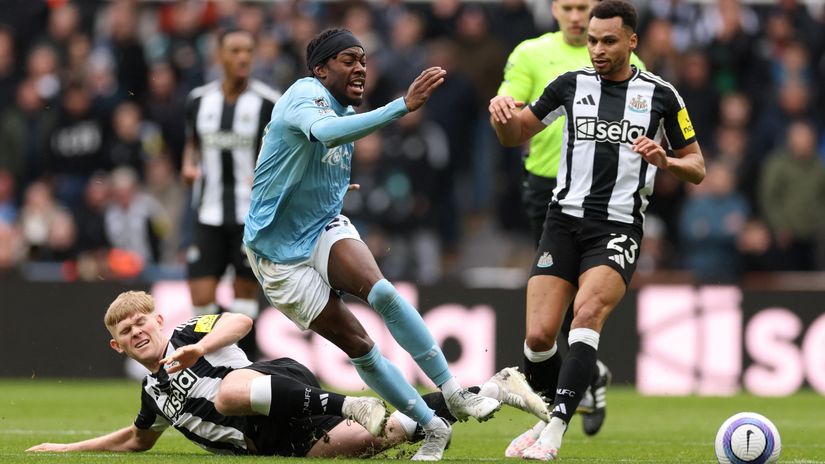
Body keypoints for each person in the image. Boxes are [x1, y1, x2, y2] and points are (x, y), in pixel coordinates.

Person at [242, 28, 513, 461]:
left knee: (383, 291)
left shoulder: (341, 106)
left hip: (321, 225)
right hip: (277, 257)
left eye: (364, 60)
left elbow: (306, 156)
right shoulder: (303, 94)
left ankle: (455, 391)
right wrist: (402, 106)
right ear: (320, 69)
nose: (361, 68)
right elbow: (327, 134)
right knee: (362, 345)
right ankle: (432, 425)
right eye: (349, 59)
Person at [489, 0, 705, 460]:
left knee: (585, 319)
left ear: (632, 41)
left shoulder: (662, 96)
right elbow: (517, 134)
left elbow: (698, 167)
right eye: (592, 40)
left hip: (618, 226)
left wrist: (665, 161)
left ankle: (553, 435)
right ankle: (552, 415)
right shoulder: (568, 86)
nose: (598, 49)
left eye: (608, 41)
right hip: (562, 220)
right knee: (538, 339)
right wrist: (503, 118)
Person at [26, 291, 548, 458]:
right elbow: (137, 440)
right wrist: (66, 451)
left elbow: (242, 320)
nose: (138, 332)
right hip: (275, 439)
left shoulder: (187, 333)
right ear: (117, 345)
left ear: (158, 320)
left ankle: (351, 403)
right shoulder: (151, 391)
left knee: (227, 393)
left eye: (143, 321)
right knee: (389, 435)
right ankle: (495, 390)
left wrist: (203, 346)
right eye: (127, 331)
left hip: (275, 383)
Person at [495, 0, 646, 437]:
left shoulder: (623, 56)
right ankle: (589, 376)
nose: (577, 16)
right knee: (554, 306)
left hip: (608, 200)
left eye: (584, 7)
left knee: (584, 306)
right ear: (554, 11)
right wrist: (504, 108)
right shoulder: (531, 53)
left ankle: (571, 390)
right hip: (548, 187)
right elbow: (513, 104)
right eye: (568, 7)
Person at [181, 28, 281, 358]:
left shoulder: (268, 102)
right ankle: (208, 368)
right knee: (201, 299)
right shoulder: (198, 101)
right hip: (206, 212)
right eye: (235, 50)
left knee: (243, 301)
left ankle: (243, 367)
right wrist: (188, 165)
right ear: (219, 55)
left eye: (249, 50)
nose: (243, 57)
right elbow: (191, 146)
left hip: (249, 216)